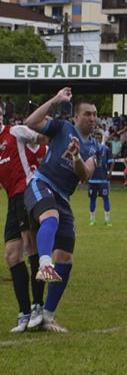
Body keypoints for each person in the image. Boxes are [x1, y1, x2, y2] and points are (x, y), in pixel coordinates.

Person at [23, 87, 99, 332]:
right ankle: (45, 265)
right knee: (50, 217)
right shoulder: (61, 127)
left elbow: (85, 175)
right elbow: (31, 122)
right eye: (87, 113)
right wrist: (55, 100)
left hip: (63, 197)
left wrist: (77, 156)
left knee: (66, 257)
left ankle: (47, 316)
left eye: (95, 114)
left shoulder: (95, 148)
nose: (92, 118)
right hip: (42, 184)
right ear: (76, 116)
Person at [0, 112, 47, 333]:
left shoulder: (15, 132)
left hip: (26, 192)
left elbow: (42, 139)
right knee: (11, 255)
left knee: (30, 244)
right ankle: (24, 311)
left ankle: (38, 306)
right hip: (11, 200)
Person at [88, 132, 114, 226]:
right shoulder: (89, 149)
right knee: (92, 199)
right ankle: (92, 219)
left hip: (103, 179)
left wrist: (110, 172)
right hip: (92, 179)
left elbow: (111, 161)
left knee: (106, 198)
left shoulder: (106, 149)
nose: (98, 139)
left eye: (99, 138)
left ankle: (107, 220)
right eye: (96, 137)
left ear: (101, 138)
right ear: (93, 138)